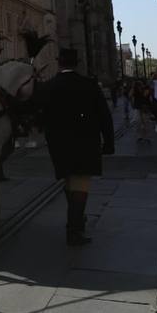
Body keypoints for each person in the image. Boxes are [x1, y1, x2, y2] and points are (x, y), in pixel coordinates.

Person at [40, 48, 115, 245]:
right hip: (85, 143)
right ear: (77, 63)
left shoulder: (48, 86)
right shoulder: (89, 85)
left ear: (59, 63)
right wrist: (108, 143)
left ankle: (77, 219)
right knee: (80, 184)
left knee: (69, 180)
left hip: (58, 145)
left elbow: (40, 117)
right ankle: (74, 230)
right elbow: (104, 116)